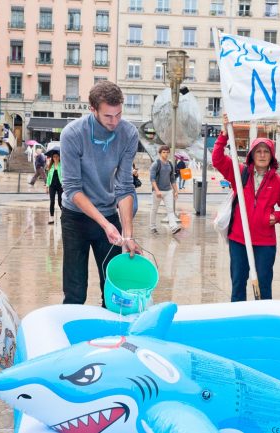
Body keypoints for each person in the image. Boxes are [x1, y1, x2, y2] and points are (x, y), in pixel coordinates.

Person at [60, 80, 141, 306]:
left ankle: (114, 339)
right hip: (75, 216)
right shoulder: (72, 134)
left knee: (114, 290)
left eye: (118, 115)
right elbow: (72, 188)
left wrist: (128, 234)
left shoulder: (129, 133)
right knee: (75, 291)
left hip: (109, 213)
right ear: (92, 109)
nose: (115, 122)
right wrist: (104, 224)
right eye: (108, 116)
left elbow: (125, 186)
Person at [213, 117, 280, 302]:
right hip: (239, 239)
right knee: (238, 284)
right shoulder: (239, 172)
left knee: (264, 285)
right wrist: (224, 134)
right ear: (252, 154)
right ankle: (239, 321)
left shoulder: (278, 183)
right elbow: (217, 159)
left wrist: (276, 216)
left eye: (266, 151)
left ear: (272, 156)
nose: (262, 155)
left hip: (265, 243)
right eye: (258, 151)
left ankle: (262, 319)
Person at [149, 145, 181, 235]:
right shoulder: (156, 164)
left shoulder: (170, 164)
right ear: (160, 153)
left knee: (170, 210)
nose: (166, 154)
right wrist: (157, 190)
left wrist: (176, 190)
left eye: (167, 152)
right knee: (154, 209)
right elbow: (152, 179)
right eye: (164, 152)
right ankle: (152, 227)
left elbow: (172, 179)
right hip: (157, 191)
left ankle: (173, 227)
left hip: (168, 191)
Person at [45, 151, 62, 224]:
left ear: (59, 157)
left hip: (60, 185)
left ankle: (63, 214)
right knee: (52, 201)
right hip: (52, 186)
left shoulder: (62, 165)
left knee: (60, 201)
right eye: (54, 157)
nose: (55, 158)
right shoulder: (50, 166)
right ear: (52, 158)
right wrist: (47, 186)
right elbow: (48, 177)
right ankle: (51, 218)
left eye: (57, 156)